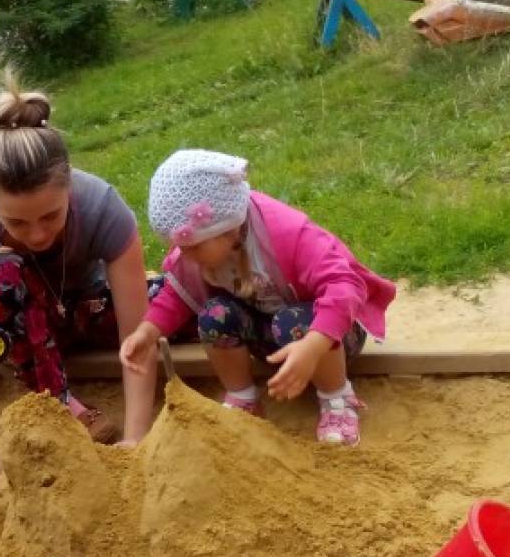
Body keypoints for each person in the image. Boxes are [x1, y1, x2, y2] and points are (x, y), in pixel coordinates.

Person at [0, 71, 156, 516]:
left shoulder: (102, 206)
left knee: (173, 307)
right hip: (22, 331)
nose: (37, 234)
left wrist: (136, 436)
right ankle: (64, 402)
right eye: (17, 222)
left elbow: (138, 335)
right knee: (0, 267)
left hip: (86, 305)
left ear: (70, 189)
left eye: (50, 216)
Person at [120, 149, 396, 446]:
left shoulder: (288, 233)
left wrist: (313, 346)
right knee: (214, 315)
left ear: (227, 228)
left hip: (331, 337)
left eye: (193, 248)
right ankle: (243, 399)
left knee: (293, 322)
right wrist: (147, 332)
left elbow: (345, 286)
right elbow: (177, 294)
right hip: (272, 334)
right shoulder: (200, 253)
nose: (184, 256)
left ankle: (337, 398)